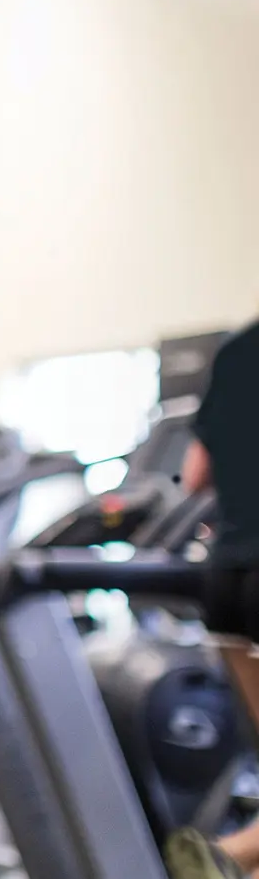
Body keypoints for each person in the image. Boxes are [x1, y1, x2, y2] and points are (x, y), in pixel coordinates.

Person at [163, 320, 259, 879]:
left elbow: (195, 474)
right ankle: (227, 855)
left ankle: (228, 857)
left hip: (229, 581)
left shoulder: (236, 352)